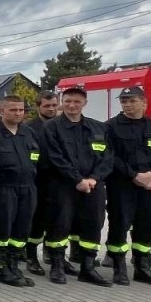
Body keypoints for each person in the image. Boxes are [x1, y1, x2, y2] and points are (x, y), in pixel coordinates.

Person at [39, 84, 113, 286]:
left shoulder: (98, 128)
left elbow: (107, 158)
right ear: (63, 102)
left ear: (84, 104)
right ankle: (57, 265)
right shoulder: (52, 127)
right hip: (62, 186)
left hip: (92, 186)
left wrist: (93, 179)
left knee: (93, 224)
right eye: (68, 101)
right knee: (59, 224)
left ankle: (87, 267)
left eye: (77, 102)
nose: (72, 105)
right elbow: (55, 157)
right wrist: (77, 179)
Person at [104, 87, 151, 287]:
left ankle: (142, 267)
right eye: (124, 101)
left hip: (150, 186)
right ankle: (119, 268)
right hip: (121, 185)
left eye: (132, 100)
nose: (127, 104)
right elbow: (109, 155)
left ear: (144, 102)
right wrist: (134, 175)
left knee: (147, 225)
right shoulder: (110, 127)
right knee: (119, 225)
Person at [0, 95, 38, 287]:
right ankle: (1, 269)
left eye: (21, 110)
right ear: (1, 111)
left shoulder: (29, 132)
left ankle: (14, 266)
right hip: (3, 188)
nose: (18, 113)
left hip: (28, 187)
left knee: (22, 228)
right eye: (13, 110)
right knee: (2, 227)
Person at [25, 90, 62, 275]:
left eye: (54, 105)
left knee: (57, 220)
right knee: (36, 222)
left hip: (60, 182)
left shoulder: (62, 126)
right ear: (38, 106)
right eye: (47, 106)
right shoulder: (30, 128)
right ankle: (31, 256)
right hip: (38, 181)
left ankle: (55, 256)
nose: (51, 109)